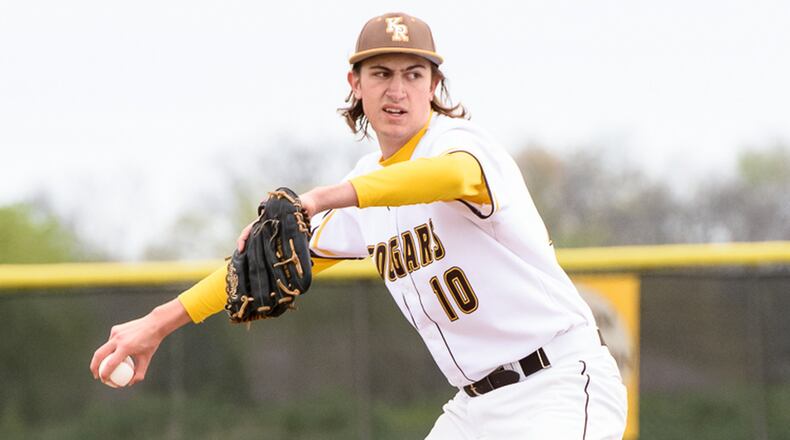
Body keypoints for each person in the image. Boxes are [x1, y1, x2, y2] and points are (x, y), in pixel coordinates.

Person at [91, 12, 627, 439]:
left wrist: (323, 197)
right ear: (357, 82)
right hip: (477, 408)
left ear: (434, 83)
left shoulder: (462, 145)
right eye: (382, 74)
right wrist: (156, 324)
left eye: (414, 74)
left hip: (557, 384)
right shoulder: (366, 185)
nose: (398, 90)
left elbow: (446, 178)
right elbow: (251, 272)